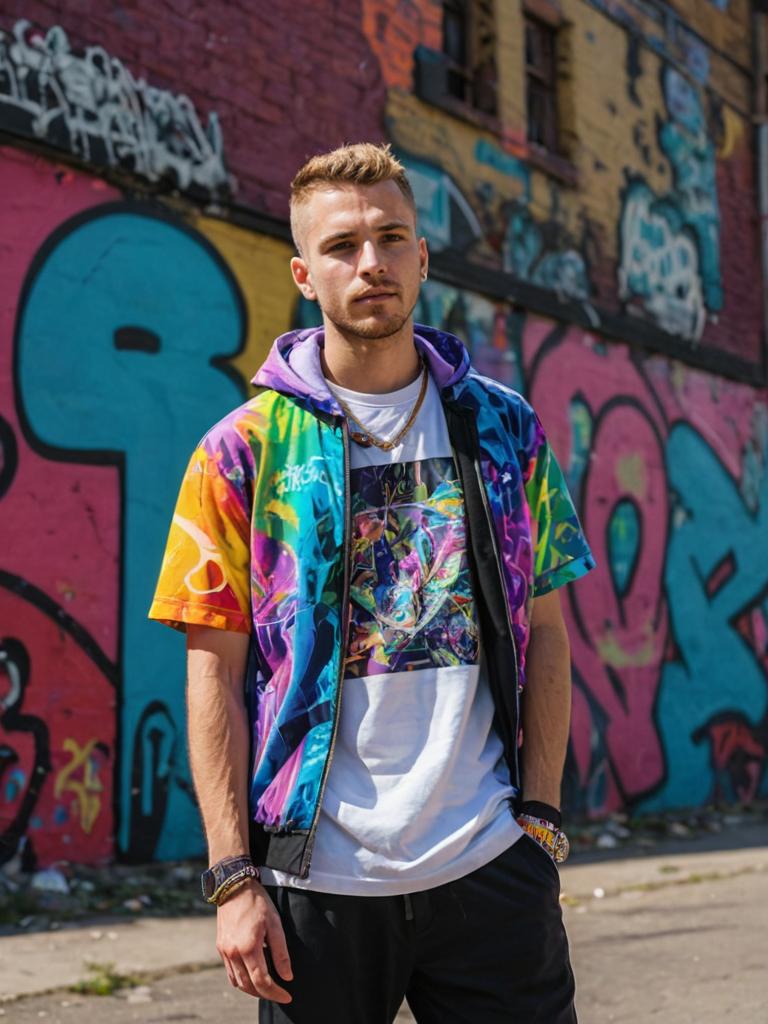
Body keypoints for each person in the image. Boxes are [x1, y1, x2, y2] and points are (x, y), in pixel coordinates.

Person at [149, 142, 595, 1023]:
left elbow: (548, 630)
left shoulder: (504, 429)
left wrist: (539, 822)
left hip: (488, 865)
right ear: (304, 275)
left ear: (423, 258)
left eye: (392, 238)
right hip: (314, 885)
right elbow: (212, 675)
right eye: (342, 246)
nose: (371, 263)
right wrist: (233, 877)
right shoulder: (240, 452)